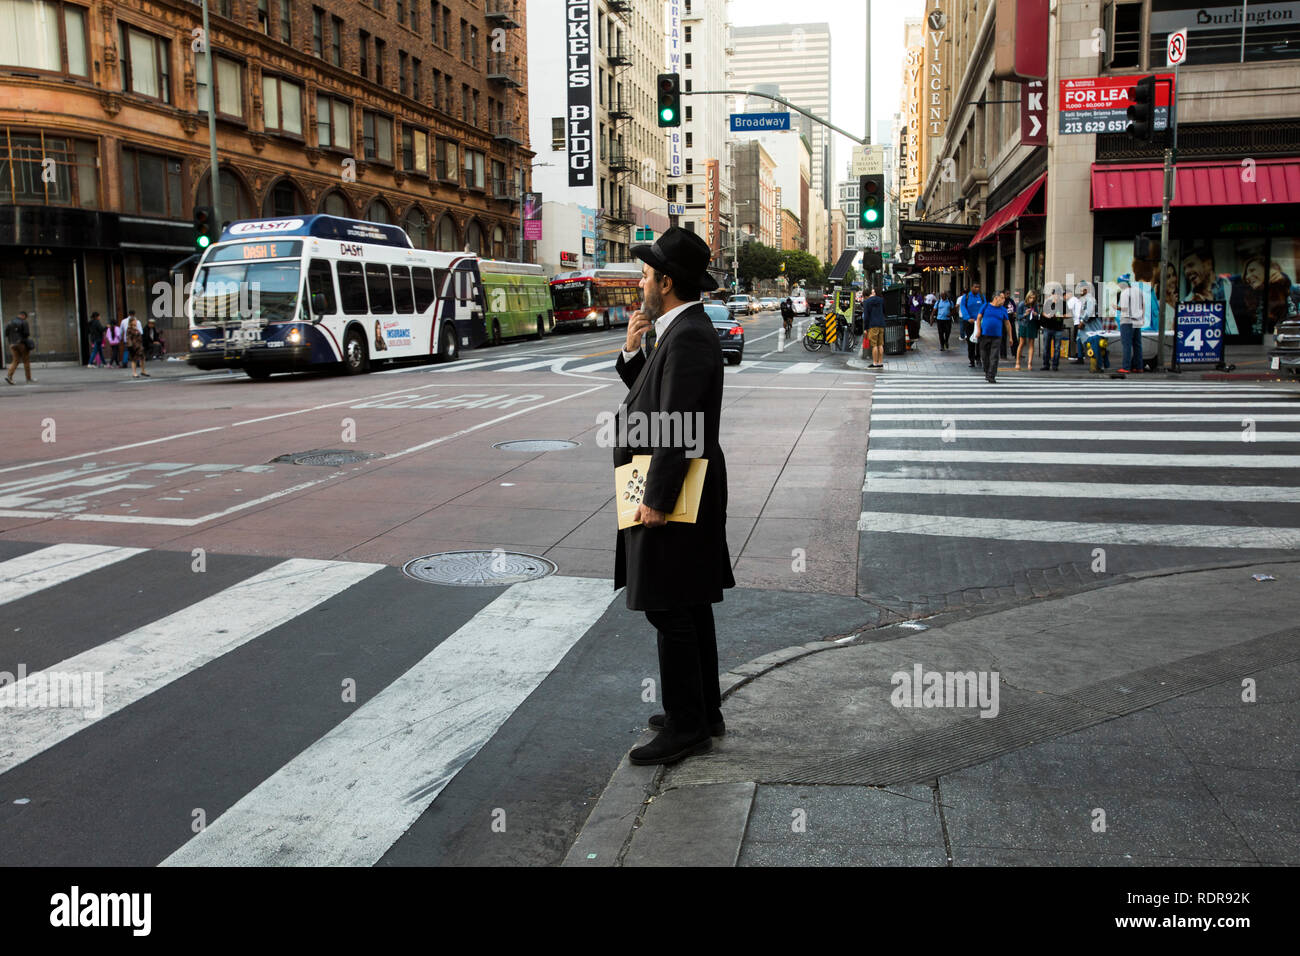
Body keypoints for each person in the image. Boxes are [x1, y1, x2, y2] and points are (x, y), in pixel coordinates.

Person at [613, 226, 734, 766]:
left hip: (679, 492)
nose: (640, 282)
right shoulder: (680, 330)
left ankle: (687, 726)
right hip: (684, 486)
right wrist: (632, 350)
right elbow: (657, 400)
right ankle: (701, 710)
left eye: (645, 274)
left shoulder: (687, 335)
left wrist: (657, 499)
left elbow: (678, 424)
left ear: (665, 282)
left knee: (668, 607)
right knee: (688, 601)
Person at [978, 293, 1012, 383]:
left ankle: (991, 375)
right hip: (984, 335)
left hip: (997, 336)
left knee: (994, 356)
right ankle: (987, 371)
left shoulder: (1003, 310)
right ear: (996, 298)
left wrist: (1010, 337)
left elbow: (1007, 324)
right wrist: (978, 330)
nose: (1004, 300)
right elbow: (978, 318)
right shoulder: (985, 306)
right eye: (1002, 298)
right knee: (984, 356)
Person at [1117, 275, 1147, 373]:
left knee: (1127, 344)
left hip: (1127, 321)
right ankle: (1139, 367)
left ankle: (1126, 367)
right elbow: (1143, 305)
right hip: (1137, 321)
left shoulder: (1124, 293)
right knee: (1137, 344)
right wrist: (1142, 318)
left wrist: (1117, 308)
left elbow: (1125, 308)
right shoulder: (1138, 291)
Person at [958, 283, 987, 368]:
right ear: (972, 287)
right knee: (970, 341)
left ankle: (978, 358)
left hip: (979, 322)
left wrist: (982, 318)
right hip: (969, 322)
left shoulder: (981, 297)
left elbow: (984, 307)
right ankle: (971, 360)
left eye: (978, 287)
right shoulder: (966, 297)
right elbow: (963, 307)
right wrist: (968, 318)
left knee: (979, 341)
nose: (977, 288)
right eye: (975, 287)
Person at [1041, 290, 1069, 371]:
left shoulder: (1063, 303)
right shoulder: (1048, 302)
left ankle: (1055, 365)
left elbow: (1068, 314)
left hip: (1058, 328)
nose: (1056, 296)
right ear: (1052, 295)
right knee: (1046, 347)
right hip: (1048, 327)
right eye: (1055, 294)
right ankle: (1046, 364)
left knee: (1057, 347)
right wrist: (1048, 315)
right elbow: (1043, 312)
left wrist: (1060, 316)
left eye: (1058, 294)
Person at [5, 310, 35, 385]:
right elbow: (26, 334)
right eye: (25, 317)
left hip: (12, 344)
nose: (25, 318)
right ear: (23, 316)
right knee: (26, 361)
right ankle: (28, 378)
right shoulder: (24, 322)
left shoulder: (10, 322)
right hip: (21, 344)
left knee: (15, 360)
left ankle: (9, 376)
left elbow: (6, 333)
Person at [1014, 291, 1040, 370]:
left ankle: (1029, 363)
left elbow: (1038, 316)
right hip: (1024, 325)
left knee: (1031, 344)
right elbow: (1018, 316)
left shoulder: (1035, 305)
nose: (1032, 300)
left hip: (1032, 325)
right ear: (1027, 297)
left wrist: (1036, 314)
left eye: (1033, 298)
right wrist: (1025, 314)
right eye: (1030, 298)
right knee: (1021, 343)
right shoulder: (1022, 304)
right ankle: (1017, 362)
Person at [863, 286, 886, 369]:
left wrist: (865, 328)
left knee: (874, 345)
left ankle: (875, 363)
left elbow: (866, 316)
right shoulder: (881, 300)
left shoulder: (867, 302)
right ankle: (880, 362)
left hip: (873, 325)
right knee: (880, 344)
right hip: (881, 324)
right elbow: (884, 311)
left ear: (874, 293)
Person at [124, 312, 149, 378]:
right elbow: (128, 338)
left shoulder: (136, 328)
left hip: (139, 346)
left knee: (142, 358)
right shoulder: (129, 329)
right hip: (133, 346)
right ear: (131, 322)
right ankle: (134, 373)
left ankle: (143, 371)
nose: (136, 322)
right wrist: (130, 346)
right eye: (135, 321)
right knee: (134, 359)